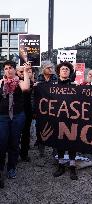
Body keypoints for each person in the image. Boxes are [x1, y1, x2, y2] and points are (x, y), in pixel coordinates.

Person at [0, 60, 30, 189]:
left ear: (14, 69)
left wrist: (26, 71)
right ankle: (0, 169)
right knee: (1, 143)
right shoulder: (1, 82)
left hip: (18, 116)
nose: (8, 70)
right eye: (6, 68)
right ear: (4, 71)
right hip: (2, 117)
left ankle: (11, 167)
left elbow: (26, 88)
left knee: (14, 142)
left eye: (11, 68)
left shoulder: (20, 81)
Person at [53, 61, 78, 180]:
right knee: (60, 141)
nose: (65, 70)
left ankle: (72, 165)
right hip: (58, 117)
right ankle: (61, 164)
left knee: (72, 141)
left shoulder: (75, 86)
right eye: (63, 69)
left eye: (67, 69)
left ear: (70, 72)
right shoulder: (52, 86)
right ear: (59, 71)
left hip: (72, 117)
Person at [34, 61, 57, 157]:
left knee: (55, 129)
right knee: (40, 128)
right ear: (43, 69)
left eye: (52, 67)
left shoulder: (56, 80)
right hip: (41, 109)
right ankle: (41, 150)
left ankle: (55, 150)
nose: (51, 69)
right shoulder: (38, 81)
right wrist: (34, 110)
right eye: (48, 68)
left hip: (54, 109)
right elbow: (33, 97)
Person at [16, 63, 34, 162]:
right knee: (15, 133)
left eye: (24, 71)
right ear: (17, 72)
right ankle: (15, 151)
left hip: (27, 110)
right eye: (21, 71)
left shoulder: (30, 82)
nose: (23, 73)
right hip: (16, 111)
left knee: (26, 133)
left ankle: (24, 154)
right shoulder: (13, 81)